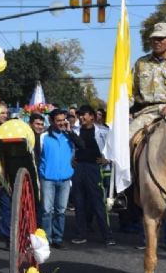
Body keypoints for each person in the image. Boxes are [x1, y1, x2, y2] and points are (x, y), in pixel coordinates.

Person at [39, 110, 83, 249]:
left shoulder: (69, 136)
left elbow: (82, 145)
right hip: (47, 179)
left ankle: (58, 238)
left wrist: (70, 131)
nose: (62, 123)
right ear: (52, 121)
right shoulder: (43, 137)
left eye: (64, 120)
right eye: (58, 120)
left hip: (64, 179)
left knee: (61, 211)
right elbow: (36, 156)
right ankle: (46, 238)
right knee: (47, 210)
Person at [71, 105, 114, 246]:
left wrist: (107, 159)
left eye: (85, 115)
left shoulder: (104, 131)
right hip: (78, 169)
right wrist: (70, 158)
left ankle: (107, 236)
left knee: (98, 203)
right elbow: (69, 148)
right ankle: (80, 234)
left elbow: (113, 148)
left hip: (94, 169)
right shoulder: (75, 131)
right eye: (80, 115)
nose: (82, 117)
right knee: (79, 202)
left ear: (92, 116)